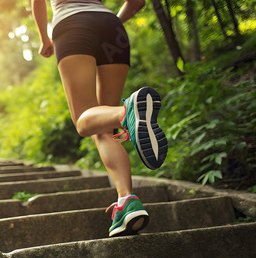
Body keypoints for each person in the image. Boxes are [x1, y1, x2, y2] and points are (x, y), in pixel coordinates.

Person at [31, 0, 168, 237]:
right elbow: (137, 2)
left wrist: (45, 38)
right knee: (102, 127)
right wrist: (111, 24)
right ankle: (126, 201)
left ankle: (126, 113)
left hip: (72, 25)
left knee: (84, 121)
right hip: (111, 27)